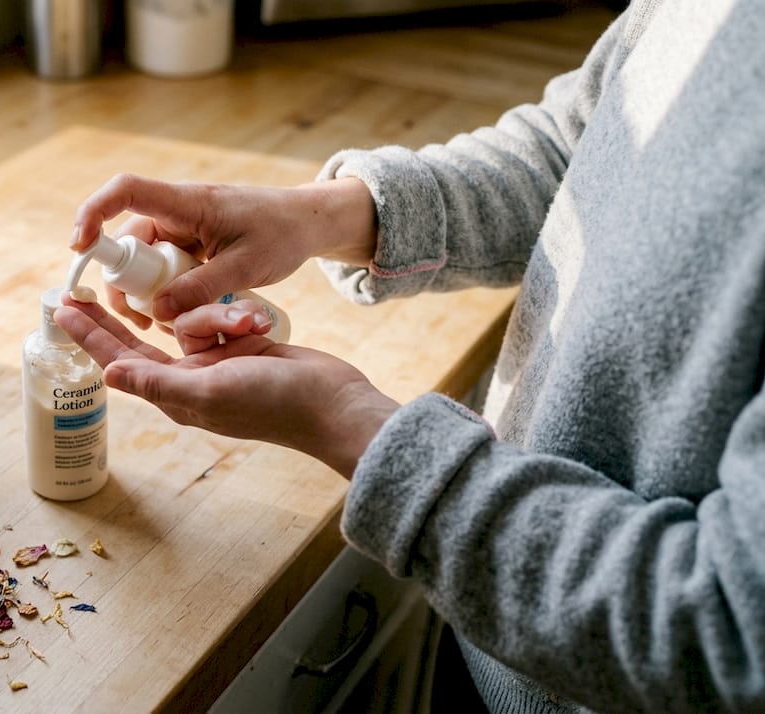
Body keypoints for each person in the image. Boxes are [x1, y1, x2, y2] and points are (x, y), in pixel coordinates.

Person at [53, 0, 765, 711]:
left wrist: (348, 423)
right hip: (483, 621)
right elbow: (581, 142)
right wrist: (317, 215)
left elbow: (727, 634)